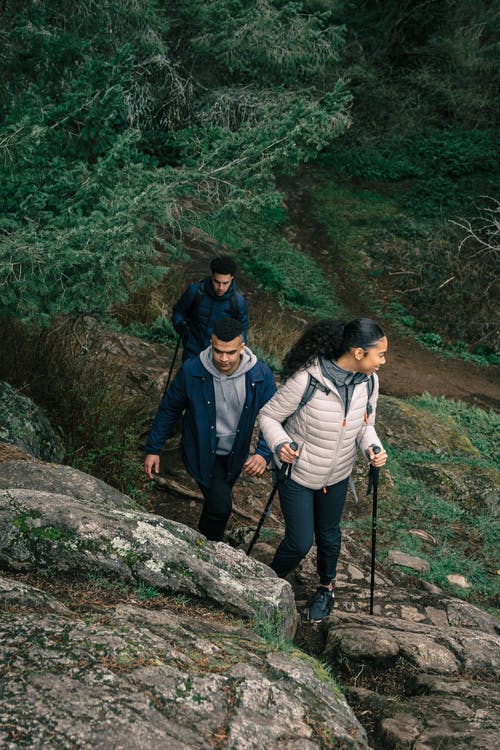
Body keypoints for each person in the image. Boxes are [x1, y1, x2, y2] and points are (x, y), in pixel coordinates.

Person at [258, 318, 388, 622]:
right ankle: (267, 580)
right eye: (379, 354)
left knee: (329, 537)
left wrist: (372, 447)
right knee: (300, 541)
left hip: (338, 475)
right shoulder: (308, 380)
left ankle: (325, 589)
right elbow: (269, 416)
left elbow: (365, 425)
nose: (383, 361)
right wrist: (279, 444)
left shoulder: (369, 382)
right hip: (298, 475)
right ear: (358, 353)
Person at [144, 317, 276, 541]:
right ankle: (210, 549)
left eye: (231, 352)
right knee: (221, 507)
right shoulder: (192, 370)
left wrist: (264, 453)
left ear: (242, 347)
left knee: (216, 503)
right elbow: (169, 408)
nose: (224, 359)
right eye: (218, 351)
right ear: (211, 344)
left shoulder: (260, 375)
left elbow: (274, 415)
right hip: (201, 450)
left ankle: (200, 540)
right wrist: (154, 447)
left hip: (235, 453)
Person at [172, 255, 249, 361]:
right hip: (193, 350)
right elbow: (179, 311)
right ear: (212, 276)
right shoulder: (195, 291)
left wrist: (235, 351)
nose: (221, 288)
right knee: (189, 376)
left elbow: (242, 329)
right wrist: (181, 327)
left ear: (232, 278)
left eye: (225, 283)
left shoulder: (238, 301)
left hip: (219, 355)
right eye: (217, 282)